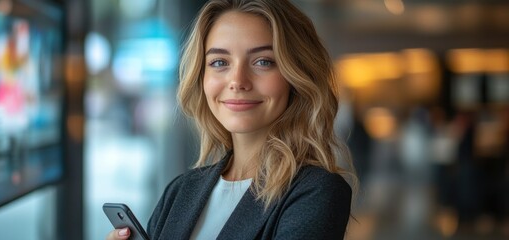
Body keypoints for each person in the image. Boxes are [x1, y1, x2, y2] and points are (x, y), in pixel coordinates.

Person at [107, 0, 356, 239]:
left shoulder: (317, 192)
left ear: (296, 76)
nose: (237, 81)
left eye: (263, 62)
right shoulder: (181, 190)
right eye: (219, 62)